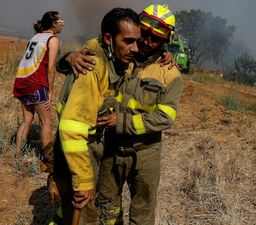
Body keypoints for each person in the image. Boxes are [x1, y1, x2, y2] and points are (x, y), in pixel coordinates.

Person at [64, 4, 183, 225]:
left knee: (142, 213)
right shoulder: (122, 58)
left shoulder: (170, 73)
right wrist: (70, 56)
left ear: (165, 41)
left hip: (145, 153)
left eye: (155, 39)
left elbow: (165, 118)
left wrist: (121, 121)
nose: (146, 42)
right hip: (112, 148)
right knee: (108, 207)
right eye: (144, 34)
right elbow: (97, 44)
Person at [50, 8, 141, 225]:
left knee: (67, 208)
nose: (135, 48)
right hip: (78, 149)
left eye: (137, 41)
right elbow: (72, 128)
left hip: (89, 145)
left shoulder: (115, 57)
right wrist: (83, 180)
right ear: (108, 38)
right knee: (85, 215)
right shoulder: (93, 66)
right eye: (128, 41)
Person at [13, 11, 63, 157]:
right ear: (54, 24)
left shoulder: (35, 37)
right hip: (35, 83)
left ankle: (17, 155)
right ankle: (47, 159)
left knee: (26, 120)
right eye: (61, 21)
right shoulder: (52, 39)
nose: (63, 24)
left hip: (22, 81)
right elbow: (51, 68)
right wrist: (50, 92)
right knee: (46, 121)